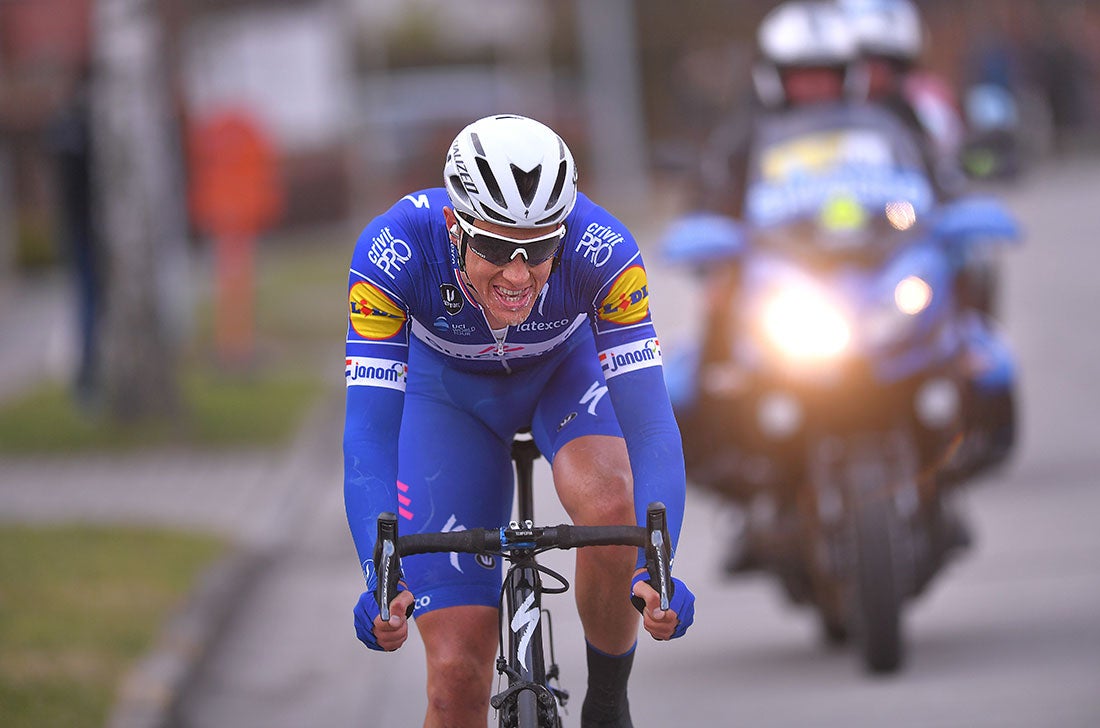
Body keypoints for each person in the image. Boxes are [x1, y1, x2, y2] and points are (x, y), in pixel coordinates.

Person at [343, 114, 695, 727]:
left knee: (612, 502)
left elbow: (652, 429)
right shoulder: (393, 251)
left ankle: (608, 702)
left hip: (564, 375)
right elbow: (369, 433)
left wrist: (657, 565)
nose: (516, 273)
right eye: (497, 248)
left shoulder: (604, 250)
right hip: (447, 398)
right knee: (455, 675)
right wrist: (379, 572)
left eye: (539, 251)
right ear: (455, 225)